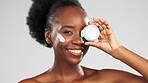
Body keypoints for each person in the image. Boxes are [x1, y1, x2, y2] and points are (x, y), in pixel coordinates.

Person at [19, 0, 148, 83]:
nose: (78, 41)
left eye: (83, 32)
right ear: (48, 35)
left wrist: (117, 50)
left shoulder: (106, 79)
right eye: (68, 32)